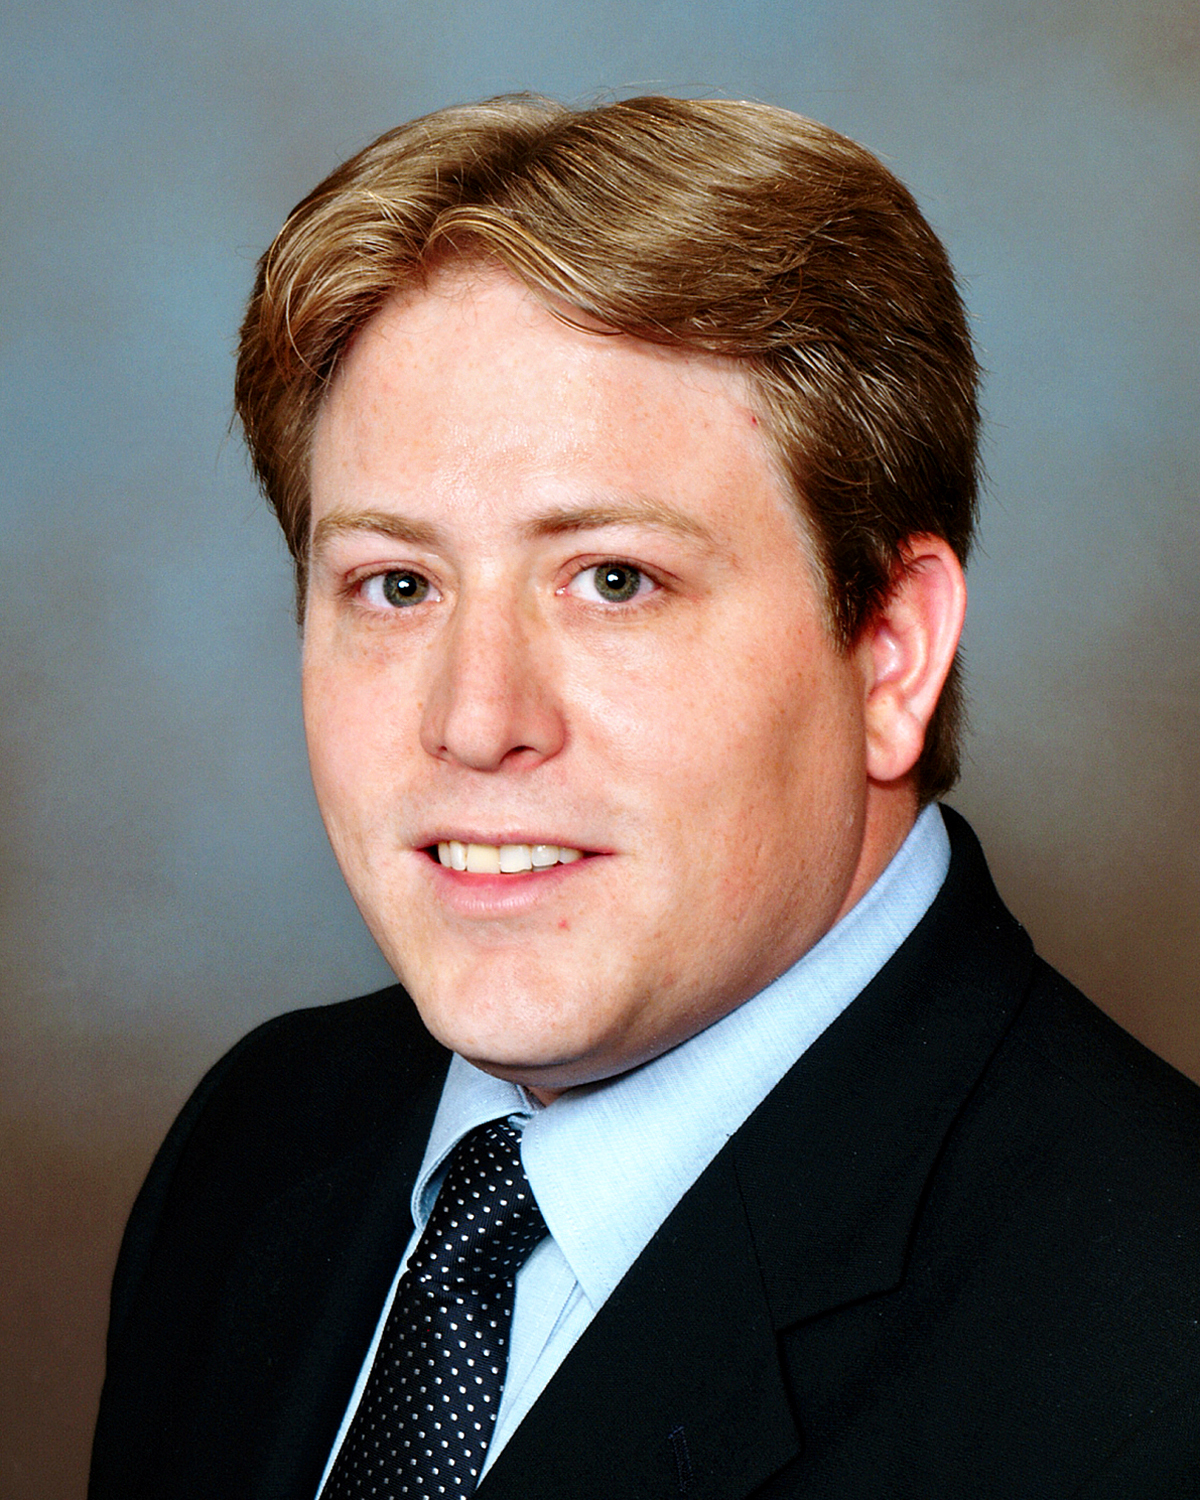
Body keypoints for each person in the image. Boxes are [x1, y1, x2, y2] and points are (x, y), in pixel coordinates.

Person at [89, 96, 1200, 1499]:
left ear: (891, 649)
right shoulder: (255, 1150)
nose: (476, 720)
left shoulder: (1155, 1364)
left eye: (614, 580)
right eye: (397, 584)